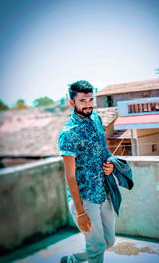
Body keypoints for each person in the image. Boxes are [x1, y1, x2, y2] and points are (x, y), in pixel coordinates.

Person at [58, 80, 115, 263]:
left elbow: (104, 150)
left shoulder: (97, 119)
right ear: (72, 102)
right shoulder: (68, 133)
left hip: (103, 192)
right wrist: (81, 212)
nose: (89, 104)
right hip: (84, 199)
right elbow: (70, 175)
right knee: (97, 248)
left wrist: (110, 163)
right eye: (83, 100)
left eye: (91, 99)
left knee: (109, 242)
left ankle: (73, 260)